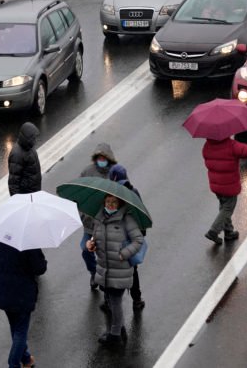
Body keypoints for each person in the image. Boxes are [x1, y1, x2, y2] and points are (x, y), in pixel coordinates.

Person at [86, 194, 143, 345]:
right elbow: (95, 237)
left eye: (114, 202)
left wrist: (123, 254)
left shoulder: (126, 219)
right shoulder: (99, 219)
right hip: (104, 269)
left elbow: (138, 240)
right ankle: (119, 327)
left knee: (115, 302)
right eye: (108, 201)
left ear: (119, 204)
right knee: (110, 301)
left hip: (120, 270)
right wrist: (91, 244)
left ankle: (115, 335)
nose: (110, 205)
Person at [0, 239, 47, 368]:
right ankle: (13, 364)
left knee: (15, 326)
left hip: (4, 290)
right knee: (20, 331)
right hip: (23, 293)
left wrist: (4, 271)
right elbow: (39, 268)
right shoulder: (29, 240)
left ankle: (26, 359)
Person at [79, 143, 117, 291]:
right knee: (85, 249)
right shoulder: (87, 172)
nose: (101, 160)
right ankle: (94, 273)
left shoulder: (114, 174)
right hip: (90, 224)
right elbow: (79, 194)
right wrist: (83, 215)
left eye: (104, 157)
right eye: (99, 157)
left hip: (107, 224)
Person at [108, 164, 145, 311]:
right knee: (132, 270)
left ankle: (109, 302)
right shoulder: (133, 192)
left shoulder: (109, 194)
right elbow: (141, 214)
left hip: (112, 239)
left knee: (110, 270)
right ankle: (136, 299)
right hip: (129, 240)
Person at [8, 122, 41, 196]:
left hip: (33, 193)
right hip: (26, 195)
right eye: (33, 137)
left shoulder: (29, 146)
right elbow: (13, 183)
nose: (35, 140)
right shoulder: (17, 154)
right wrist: (17, 200)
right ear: (27, 138)